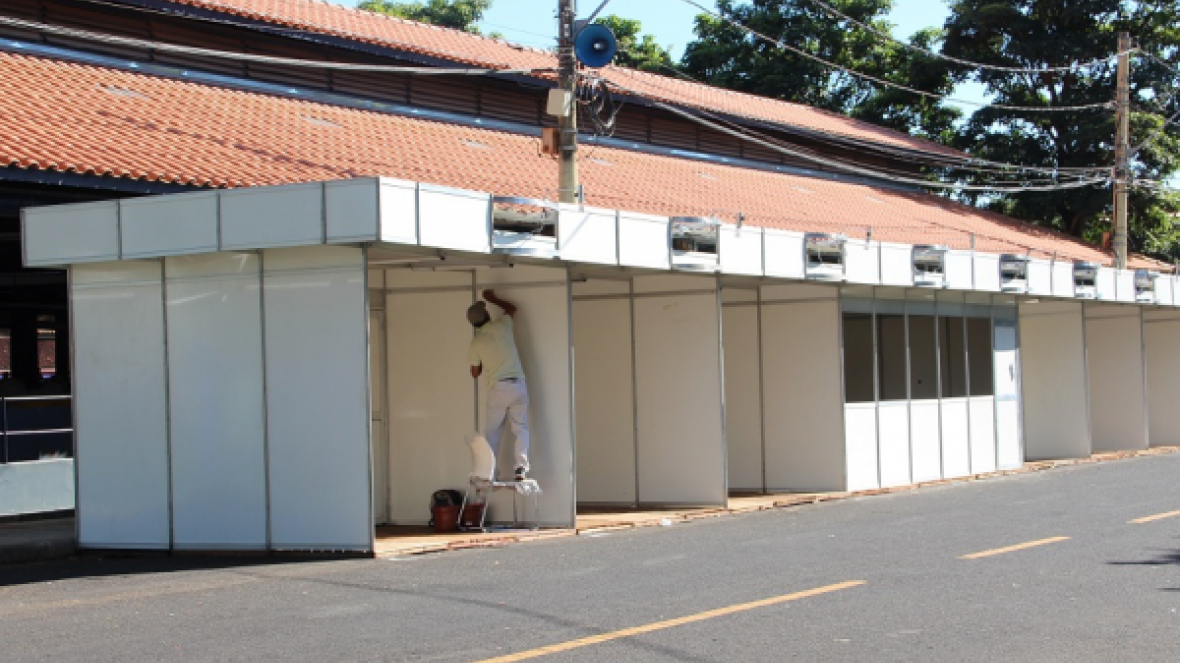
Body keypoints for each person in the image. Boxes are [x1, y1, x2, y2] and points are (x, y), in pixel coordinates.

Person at [466, 289, 530, 481]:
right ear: (486, 315)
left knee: (492, 433)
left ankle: (490, 473)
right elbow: (511, 308)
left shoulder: (476, 342)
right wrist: (492, 298)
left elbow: (475, 373)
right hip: (518, 385)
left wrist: (484, 360)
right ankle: (521, 468)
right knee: (520, 428)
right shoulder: (503, 325)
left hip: (498, 388)